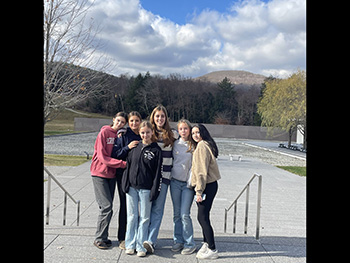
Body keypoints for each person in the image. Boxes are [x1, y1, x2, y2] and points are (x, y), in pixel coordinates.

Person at [122, 121, 163, 257]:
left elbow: (158, 174)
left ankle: (141, 246)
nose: (145, 135)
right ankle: (130, 244)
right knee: (132, 216)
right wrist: (125, 184)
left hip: (146, 189)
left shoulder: (156, 150)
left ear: (152, 132)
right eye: (142, 132)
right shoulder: (135, 147)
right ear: (140, 133)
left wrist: (154, 190)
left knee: (145, 218)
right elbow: (128, 167)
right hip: (132, 188)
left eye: (147, 132)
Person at [143, 105, 178, 254]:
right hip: (149, 177)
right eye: (157, 116)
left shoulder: (172, 134)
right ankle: (142, 238)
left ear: (166, 118)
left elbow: (188, 137)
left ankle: (150, 241)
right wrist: (121, 131)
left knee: (158, 209)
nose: (160, 119)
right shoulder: (149, 132)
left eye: (162, 116)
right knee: (146, 210)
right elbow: (135, 133)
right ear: (153, 117)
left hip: (164, 177)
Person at [91, 112, 128, 249]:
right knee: (106, 207)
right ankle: (99, 238)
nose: (119, 123)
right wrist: (122, 164)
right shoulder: (104, 132)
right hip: (99, 173)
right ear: (113, 119)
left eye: (123, 122)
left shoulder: (119, 136)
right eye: (118, 120)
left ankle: (104, 237)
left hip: (111, 174)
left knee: (108, 208)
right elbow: (102, 157)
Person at [111, 111, 142, 250]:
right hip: (124, 175)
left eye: (137, 120)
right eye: (132, 121)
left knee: (141, 208)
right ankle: (122, 238)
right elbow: (115, 154)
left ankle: (138, 236)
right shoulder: (123, 135)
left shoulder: (144, 134)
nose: (134, 123)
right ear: (128, 123)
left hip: (141, 176)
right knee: (125, 205)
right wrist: (127, 148)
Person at [191, 124, 221, 260]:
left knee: (202, 217)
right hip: (209, 185)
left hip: (206, 186)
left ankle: (212, 248)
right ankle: (206, 243)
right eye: (193, 133)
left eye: (197, 132)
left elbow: (202, 171)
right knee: (204, 215)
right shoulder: (204, 144)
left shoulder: (202, 146)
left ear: (203, 132)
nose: (195, 135)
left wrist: (198, 191)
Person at [169, 119, 196, 254]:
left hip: (187, 185)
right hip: (174, 182)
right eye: (181, 129)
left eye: (186, 128)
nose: (183, 131)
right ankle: (178, 240)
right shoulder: (175, 144)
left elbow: (195, 167)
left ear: (189, 130)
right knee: (176, 214)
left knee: (185, 214)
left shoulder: (193, 146)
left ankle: (189, 242)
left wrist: (191, 183)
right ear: (178, 131)